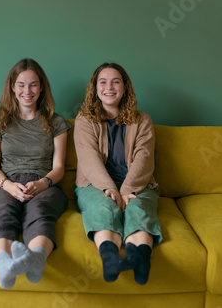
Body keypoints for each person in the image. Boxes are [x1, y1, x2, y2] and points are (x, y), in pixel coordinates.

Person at [0, 58, 71, 289]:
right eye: (21, 84)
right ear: (12, 87)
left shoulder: (56, 122)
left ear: (41, 87)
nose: (27, 91)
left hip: (43, 184)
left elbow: (59, 167)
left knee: (40, 213)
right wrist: (8, 186)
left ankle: (37, 260)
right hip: (6, 183)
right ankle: (4, 265)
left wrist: (42, 184)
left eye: (33, 84)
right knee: (2, 212)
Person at [74, 62, 162, 285]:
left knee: (138, 208)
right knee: (104, 207)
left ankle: (140, 259)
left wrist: (126, 191)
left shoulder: (143, 120)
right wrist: (111, 190)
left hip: (136, 184)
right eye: (102, 82)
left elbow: (144, 159)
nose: (109, 87)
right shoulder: (84, 119)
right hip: (95, 184)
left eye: (116, 81)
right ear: (95, 88)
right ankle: (111, 259)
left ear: (125, 87)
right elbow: (89, 160)